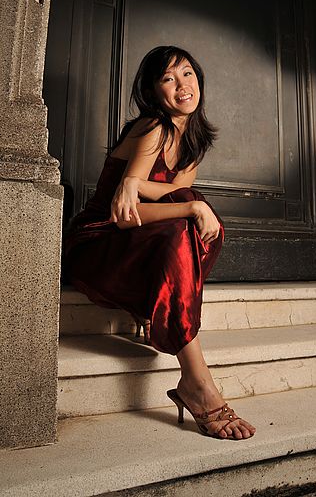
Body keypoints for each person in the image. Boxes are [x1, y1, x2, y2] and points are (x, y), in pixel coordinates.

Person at [62, 46, 256, 440]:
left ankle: (160, 303)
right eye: (169, 78)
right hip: (97, 243)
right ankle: (197, 383)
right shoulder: (154, 126)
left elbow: (170, 197)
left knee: (197, 213)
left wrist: (139, 186)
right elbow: (124, 215)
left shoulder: (193, 139)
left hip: (133, 243)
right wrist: (185, 208)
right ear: (154, 91)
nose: (182, 85)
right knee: (190, 211)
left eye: (187, 73)